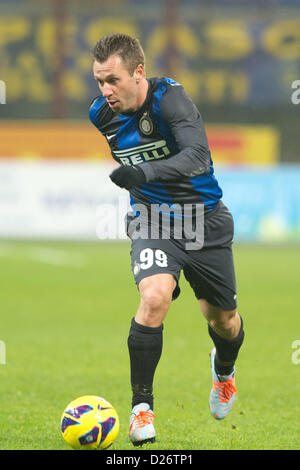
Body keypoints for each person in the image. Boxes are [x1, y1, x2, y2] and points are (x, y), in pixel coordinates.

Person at [89, 33, 245, 446]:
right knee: (155, 297)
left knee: (224, 322)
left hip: (204, 220)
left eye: (113, 80)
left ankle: (224, 372)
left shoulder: (170, 99)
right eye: (99, 81)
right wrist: (143, 188)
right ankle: (142, 409)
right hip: (152, 220)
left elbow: (197, 157)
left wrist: (144, 173)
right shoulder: (101, 116)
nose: (105, 90)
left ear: (138, 73)